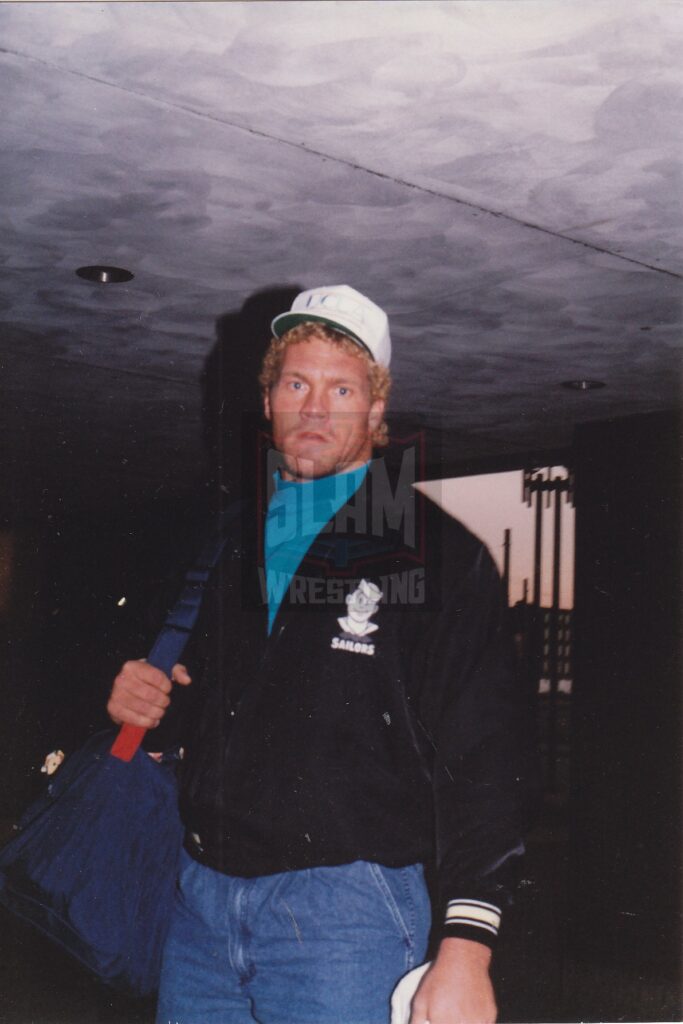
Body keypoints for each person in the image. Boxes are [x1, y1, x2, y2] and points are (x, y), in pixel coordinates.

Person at [107, 284, 526, 1024]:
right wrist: (154, 708)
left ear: (374, 411)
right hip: (202, 902)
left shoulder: (436, 557)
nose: (314, 407)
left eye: (341, 388)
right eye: (296, 383)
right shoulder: (238, 546)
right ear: (267, 401)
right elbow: (214, 709)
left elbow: (484, 759)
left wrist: (466, 944)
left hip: (346, 917)